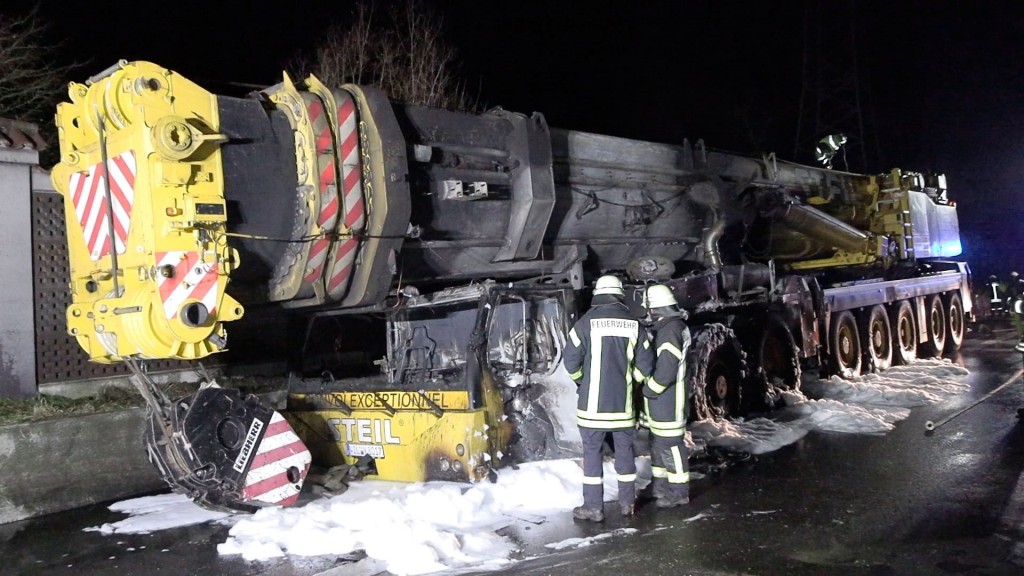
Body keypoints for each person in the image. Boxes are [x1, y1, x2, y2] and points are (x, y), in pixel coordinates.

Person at [563, 274, 654, 522]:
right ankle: (627, 503)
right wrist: (629, 380)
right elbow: (646, 367)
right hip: (622, 409)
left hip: (591, 410)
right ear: (619, 295)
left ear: (598, 295)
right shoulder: (634, 324)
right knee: (624, 454)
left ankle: (594, 508)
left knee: (592, 456)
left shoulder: (584, 323)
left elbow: (570, 362)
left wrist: (583, 380)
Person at [640, 284, 692, 508]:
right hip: (665, 401)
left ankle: (679, 491)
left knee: (671, 444)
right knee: (658, 442)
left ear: (655, 308)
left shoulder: (670, 330)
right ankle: (660, 486)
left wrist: (650, 389)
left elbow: (667, 369)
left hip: (669, 400)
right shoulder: (673, 326)